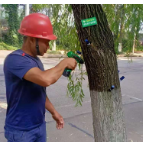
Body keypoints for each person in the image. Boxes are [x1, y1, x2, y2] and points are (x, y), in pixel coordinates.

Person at [3, 13, 77, 142]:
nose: (48, 46)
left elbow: (39, 90)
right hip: (21, 131)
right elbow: (45, 79)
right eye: (46, 41)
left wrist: (54, 112)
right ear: (32, 39)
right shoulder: (15, 60)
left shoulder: (36, 61)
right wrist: (64, 63)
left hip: (39, 126)